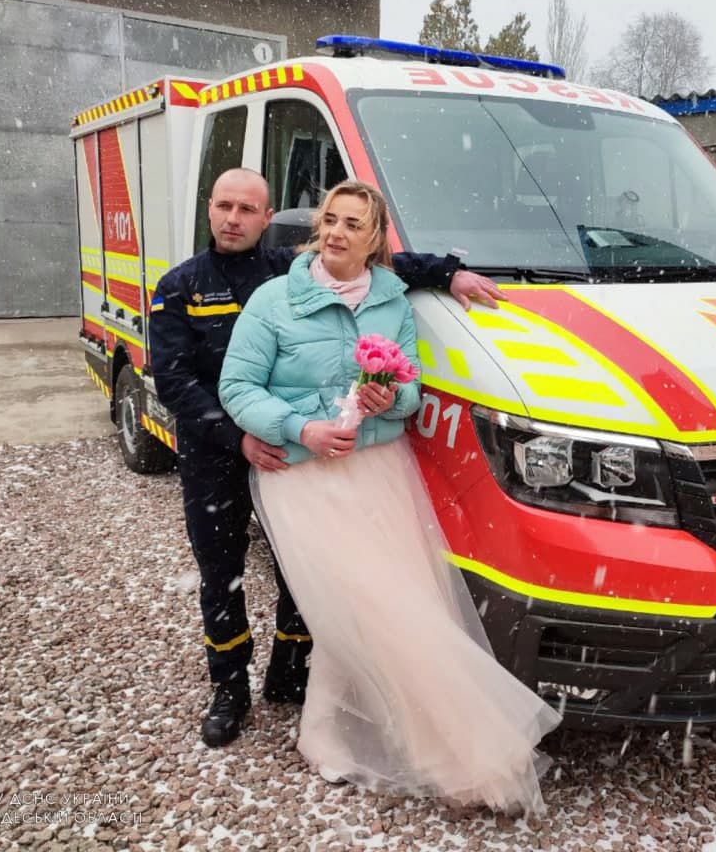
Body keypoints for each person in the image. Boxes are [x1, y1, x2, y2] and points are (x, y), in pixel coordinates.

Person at [218, 180, 561, 815]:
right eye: (331, 220)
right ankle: (356, 736)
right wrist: (301, 428)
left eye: (354, 224)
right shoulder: (274, 299)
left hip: (379, 471)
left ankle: (395, 740)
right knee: (357, 608)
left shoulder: (391, 299)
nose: (338, 233)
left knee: (404, 606)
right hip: (303, 476)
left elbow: (410, 391)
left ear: (375, 238)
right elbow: (238, 387)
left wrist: (388, 397)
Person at [150, 167, 505, 749]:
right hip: (217, 453)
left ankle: (289, 672)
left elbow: (386, 261)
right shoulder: (180, 285)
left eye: (248, 209)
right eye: (225, 206)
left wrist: (449, 272)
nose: (234, 219)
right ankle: (229, 689)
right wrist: (238, 438)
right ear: (209, 208)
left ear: (269, 219)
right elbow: (174, 382)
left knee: (304, 571)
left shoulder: (283, 267)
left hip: (293, 453)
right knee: (221, 574)